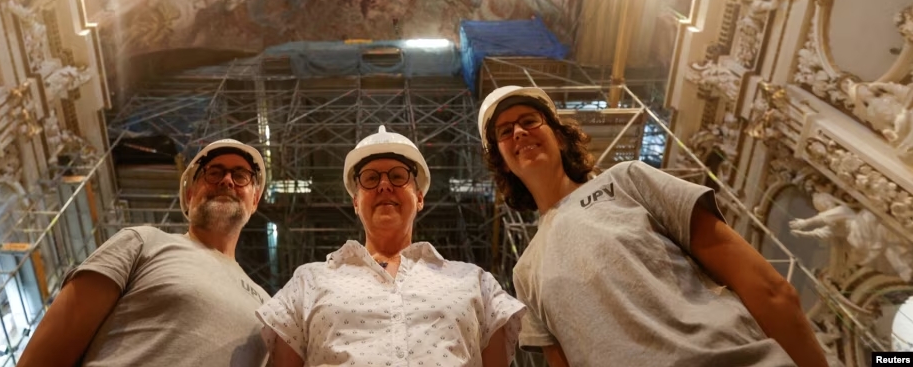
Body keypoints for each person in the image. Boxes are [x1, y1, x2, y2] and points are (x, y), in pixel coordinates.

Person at [477, 86, 829, 367]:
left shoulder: (629, 180)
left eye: (529, 120)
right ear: (503, 163)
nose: (520, 132)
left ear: (560, 136)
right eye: (506, 131)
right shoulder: (525, 271)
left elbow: (768, 288)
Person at [257, 125, 525, 367]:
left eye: (398, 176)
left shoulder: (476, 282)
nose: (384, 185)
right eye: (371, 179)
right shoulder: (307, 282)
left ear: (419, 198)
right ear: (355, 202)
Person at [17, 139, 270, 367]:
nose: (226, 181)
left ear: (255, 200)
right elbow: (53, 346)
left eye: (240, 176)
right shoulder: (145, 242)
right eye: (214, 173)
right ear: (191, 194)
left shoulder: (268, 305)